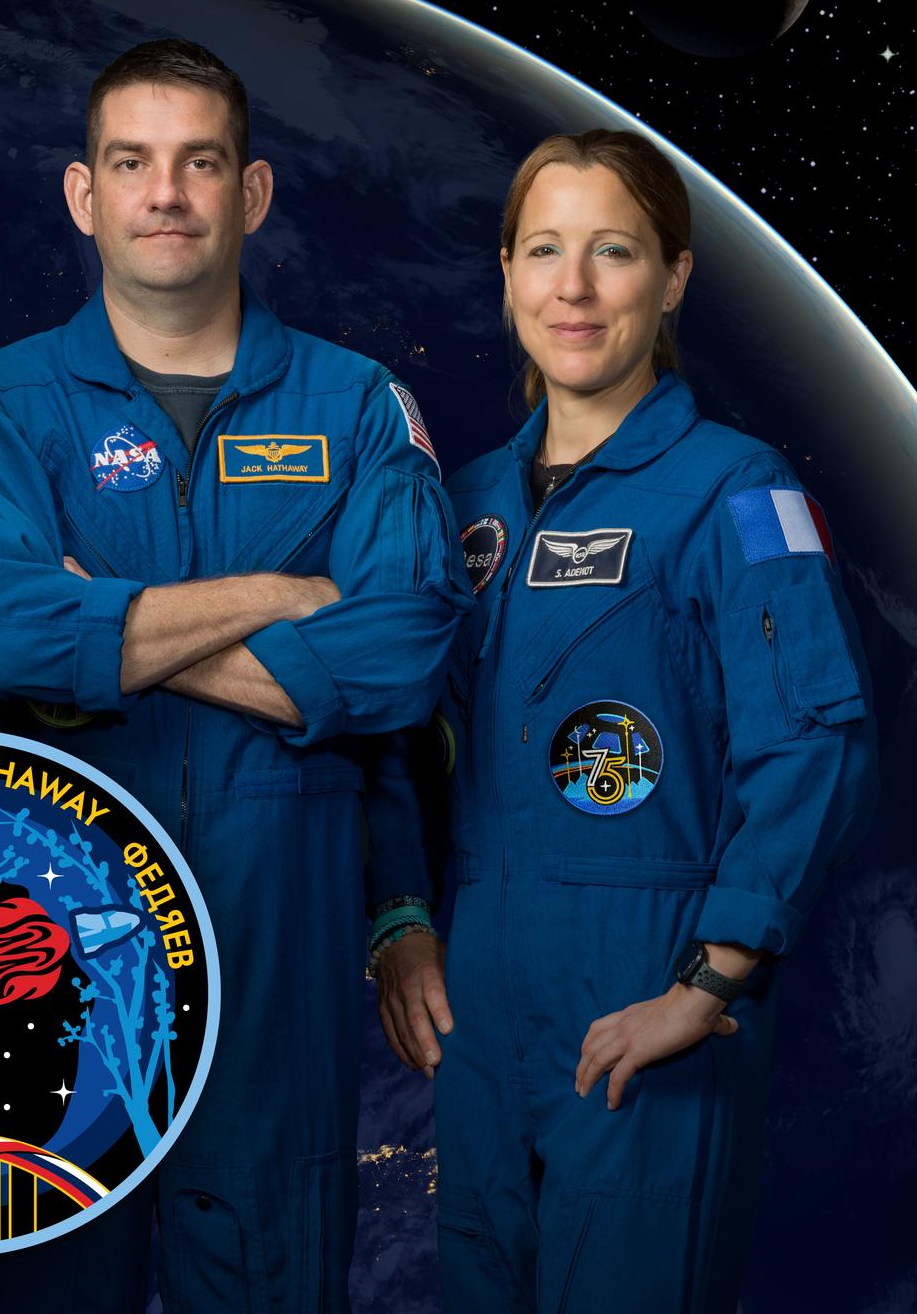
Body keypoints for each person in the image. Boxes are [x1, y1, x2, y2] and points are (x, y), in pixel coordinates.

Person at [0, 39, 473, 1311]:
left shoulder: (355, 408)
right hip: (42, 951)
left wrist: (107, 633)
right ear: (83, 194)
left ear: (253, 191)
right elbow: (6, 634)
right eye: (132, 162)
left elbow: (397, 657)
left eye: (199, 162)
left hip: (282, 937)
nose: (165, 193)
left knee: (270, 1282)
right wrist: (291, 599)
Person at [369, 129, 877, 1311]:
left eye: (615, 251)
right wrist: (400, 915)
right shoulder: (462, 506)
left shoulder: (740, 494)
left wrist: (711, 980)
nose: (576, 288)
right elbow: (400, 738)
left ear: (675, 277)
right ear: (505, 274)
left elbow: (816, 739)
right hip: (481, 1001)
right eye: (545, 250)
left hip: (647, 985)